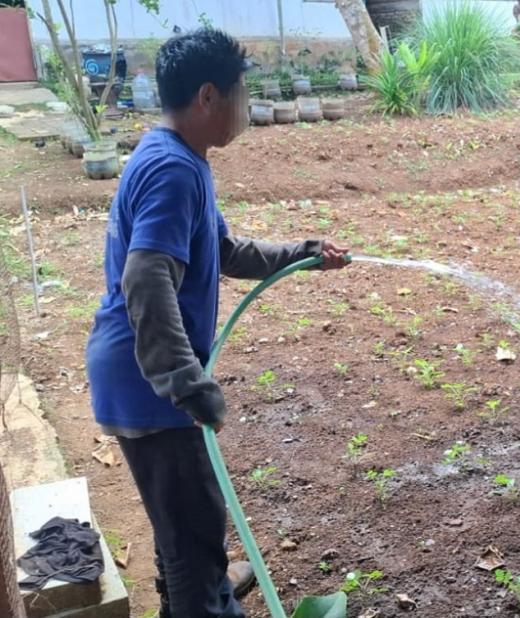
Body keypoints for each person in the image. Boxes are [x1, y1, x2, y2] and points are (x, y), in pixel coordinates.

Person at [85, 29, 349, 618]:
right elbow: (146, 279)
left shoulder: (179, 159)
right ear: (209, 96)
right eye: (239, 91)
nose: (245, 105)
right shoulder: (173, 171)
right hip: (149, 387)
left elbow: (222, 250)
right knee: (197, 527)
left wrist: (303, 253)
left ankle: (188, 588)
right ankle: (201, 599)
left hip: (136, 378)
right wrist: (185, 382)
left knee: (177, 518)